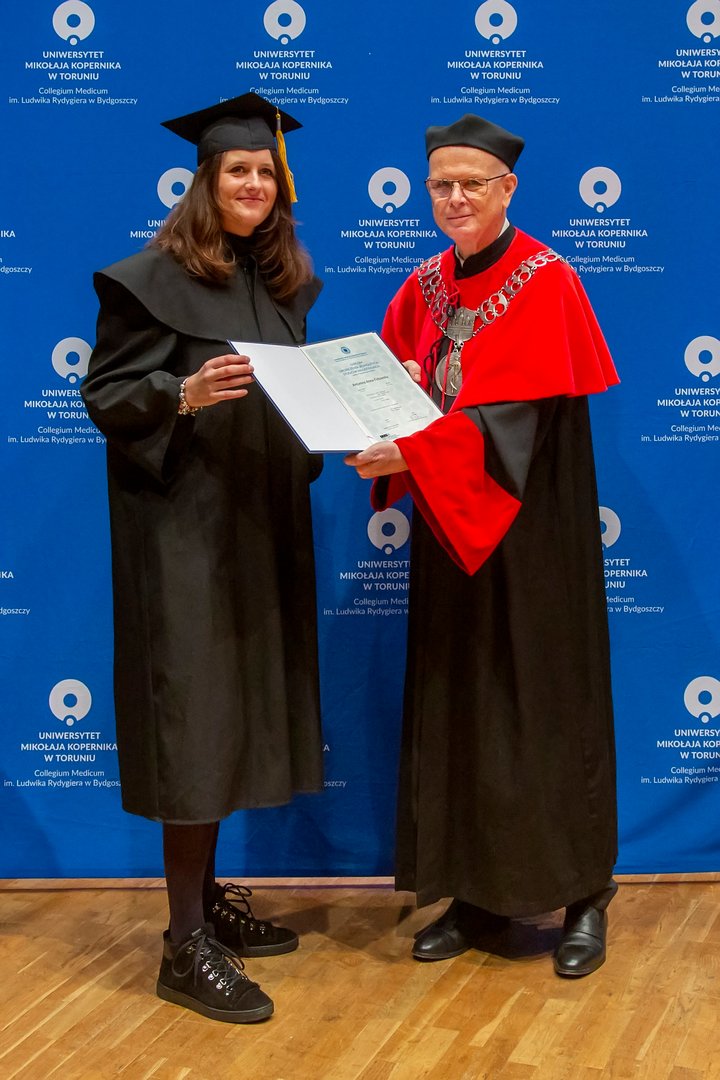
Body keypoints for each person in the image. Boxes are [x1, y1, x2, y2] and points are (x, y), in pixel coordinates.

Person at [345, 114, 619, 977]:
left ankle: (584, 894)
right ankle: (473, 892)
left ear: (508, 188)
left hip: (533, 536)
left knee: (546, 702)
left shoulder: (548, 280)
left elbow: (518, 422)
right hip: (451, 532)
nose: (455, 197)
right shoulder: (422, 286)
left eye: (472, 183)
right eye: (441, 185)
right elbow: (395, 390)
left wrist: (415, 450)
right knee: (459, 704)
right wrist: (373, 416)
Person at [81, 92, 324, 1022]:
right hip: (182, 534)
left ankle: (208, 906)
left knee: (233, 716)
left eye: (265, 171)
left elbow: (293, 406)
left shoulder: (282, 286)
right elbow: (108, 395)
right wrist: (180, 393)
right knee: (194, 723)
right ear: (205, 183)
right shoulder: (146, 280)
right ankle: (183, 946)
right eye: (238, 171)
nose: (254, 183)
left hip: (257, 528)